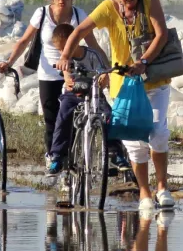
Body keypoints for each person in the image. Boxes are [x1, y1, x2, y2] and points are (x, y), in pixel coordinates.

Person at [57, 0, 174, 211]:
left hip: (154, 80)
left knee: (158, 133)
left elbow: (161, 34)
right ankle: (144, 193)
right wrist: (66, 55)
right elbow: (79, 30)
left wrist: (143, 62)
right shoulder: (109, 8)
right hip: (122, 83)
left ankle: (162, 187)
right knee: (134, 141)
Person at [0, 0, 103, 164]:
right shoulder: (42, 14)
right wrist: (9, 62)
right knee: (52, 120)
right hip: (48, 74)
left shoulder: (80, 16)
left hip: (74, 73)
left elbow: (93, 45)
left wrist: (107, 68)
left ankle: (73, 163)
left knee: (73, 119)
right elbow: (24, 41)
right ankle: (53, 158)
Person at [44, 24, 129, 175]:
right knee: (62, 116)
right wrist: (69, 80)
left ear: (76, 41)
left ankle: (115, 153)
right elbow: (67, 75)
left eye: (65, 47)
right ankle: (57, 156)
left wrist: (104, 78)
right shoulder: (64, 59)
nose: (63, 52)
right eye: (60, 49)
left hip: (94, 93)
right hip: (73, 95)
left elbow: (104, 73)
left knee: (109, 116)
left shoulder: (92, 55)